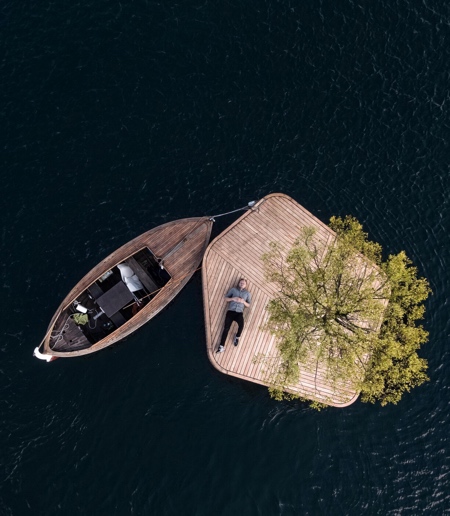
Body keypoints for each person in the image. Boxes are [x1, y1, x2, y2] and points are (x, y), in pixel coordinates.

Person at [217, 278, 251, 353]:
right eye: (241, 282)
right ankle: (221, 346)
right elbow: (226, 298)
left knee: (241, 326)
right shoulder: (233, 290)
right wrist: (233, 298)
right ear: (239, 283)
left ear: (246, 285)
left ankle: (237, 337)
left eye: (243, 283)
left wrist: (243, 301)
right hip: (230, 312)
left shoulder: (247, 293)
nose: (242, 284)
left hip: (239, 313)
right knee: (226, 328)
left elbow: (248, 305)